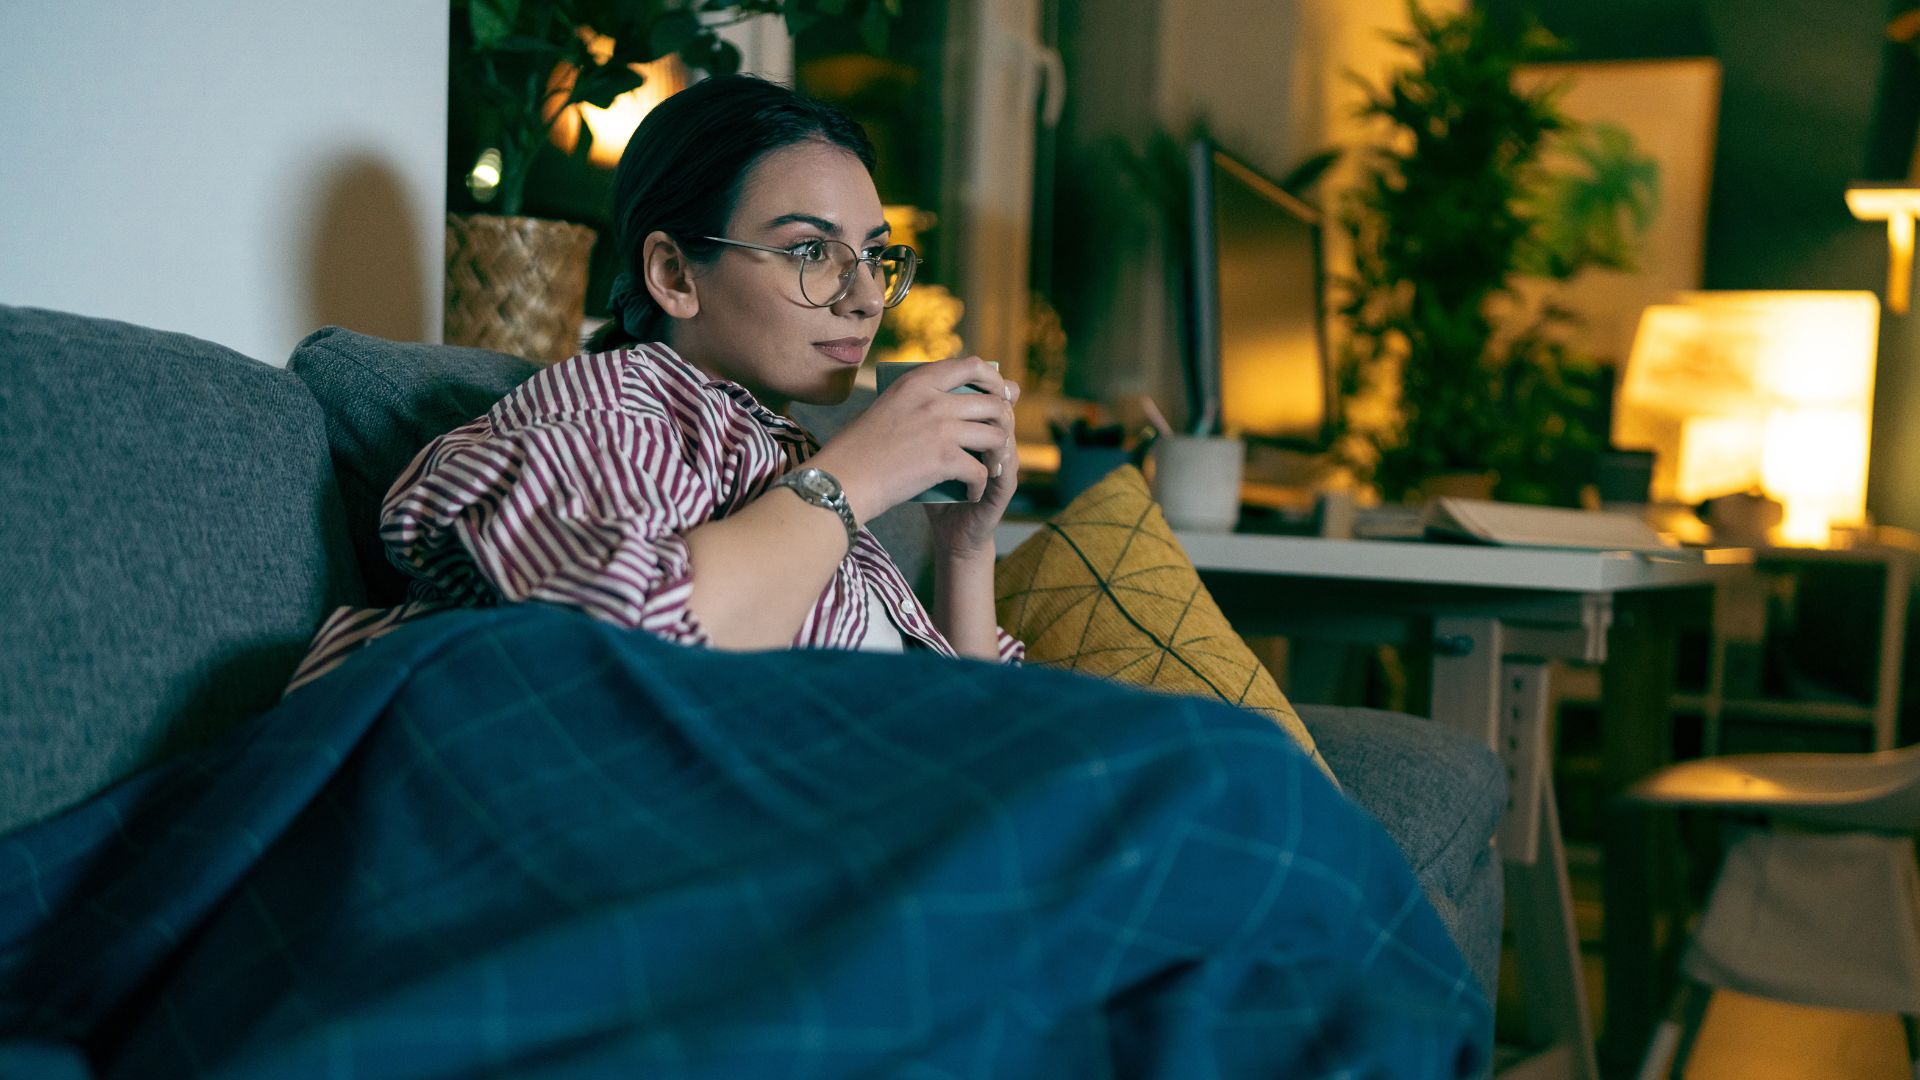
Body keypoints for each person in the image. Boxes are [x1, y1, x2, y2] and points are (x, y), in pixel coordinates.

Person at [288, 74, 1024, 692]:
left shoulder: (789, 461)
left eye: (874, 256)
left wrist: (964, 550)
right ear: (674, 274)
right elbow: (642, 662)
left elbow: (980, 724)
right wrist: (857, 477)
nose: (865, 297)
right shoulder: (609, 406)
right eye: (810, 250)